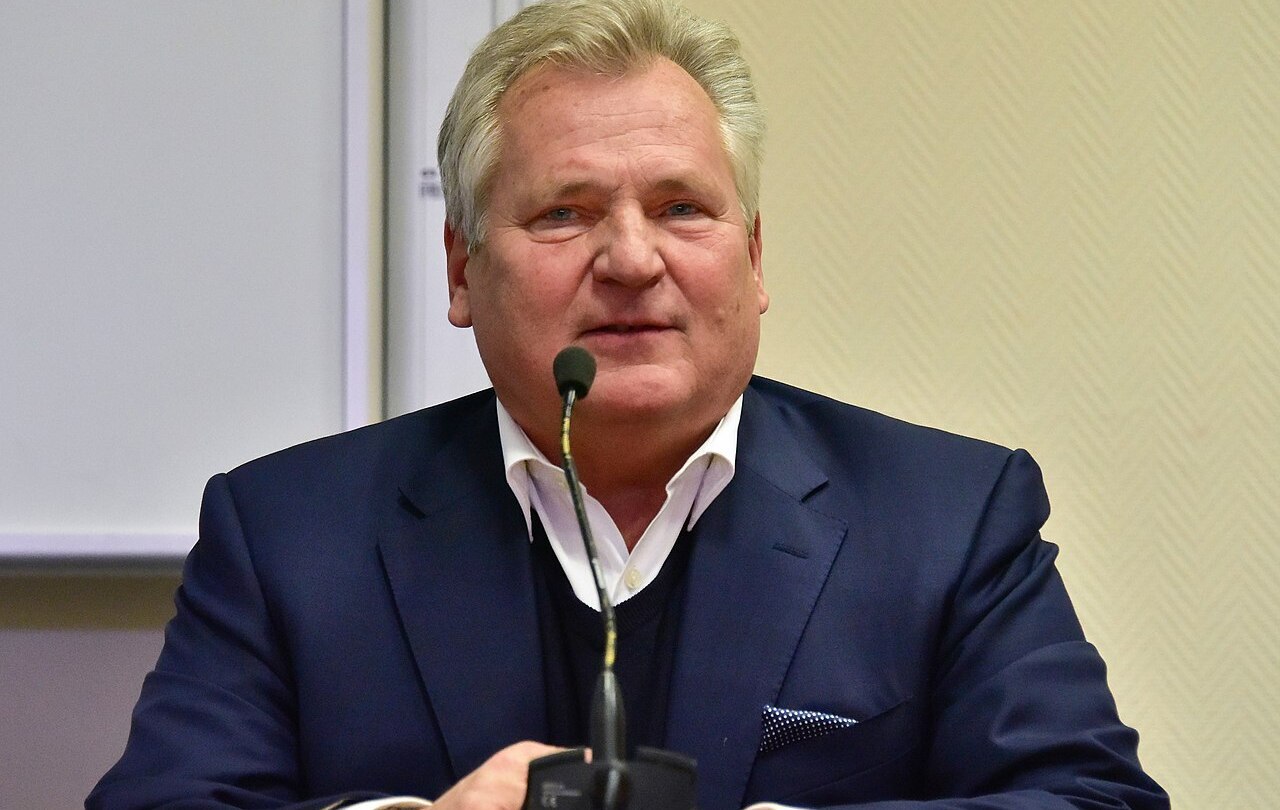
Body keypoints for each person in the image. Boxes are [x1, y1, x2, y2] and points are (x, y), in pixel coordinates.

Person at [89, 1, 1168, 808]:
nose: (632, 260)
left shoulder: (947, 518)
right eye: (564, 213)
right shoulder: (286, 536)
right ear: (461, 270)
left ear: (753, 259)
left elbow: (1090, 801)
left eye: (682, 207)